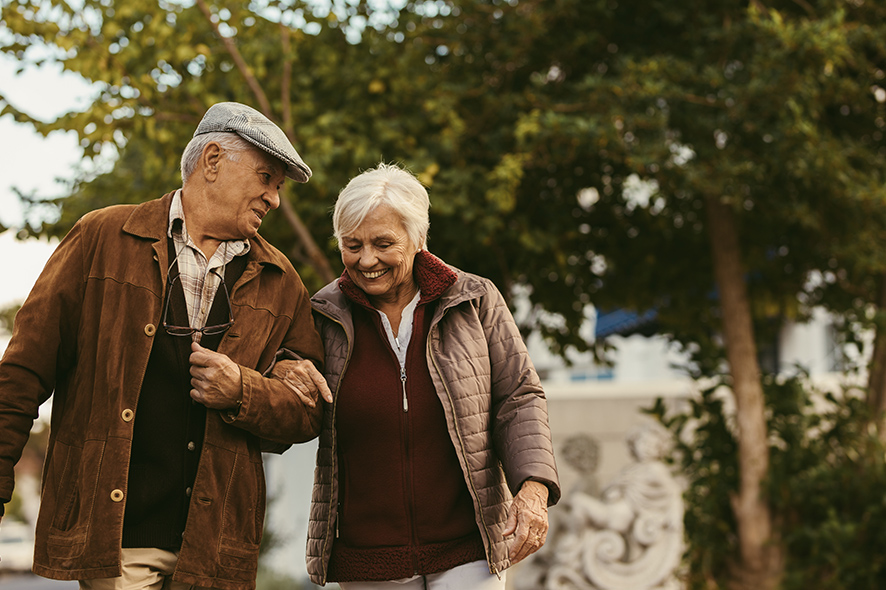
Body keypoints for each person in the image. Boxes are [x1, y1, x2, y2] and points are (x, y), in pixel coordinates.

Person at [0, 102, 332, 590]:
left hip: (216, 551)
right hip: (120, 544)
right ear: (213, 160)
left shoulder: (282, 282)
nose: (274, 199)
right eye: (266, 178)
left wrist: (243, 391)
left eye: (277, 187)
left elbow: (308, 412)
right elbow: (24, 370)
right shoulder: (102, 237)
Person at [288, 163, 561, 589]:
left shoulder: (474, 300)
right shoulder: (323, 315)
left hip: (468, 545)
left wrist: (533, 489)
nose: (366, 260)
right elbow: (294, 396)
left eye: (383, 243)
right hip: (368, 555)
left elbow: (519, 397)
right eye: (352, 244)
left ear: (418, 240)